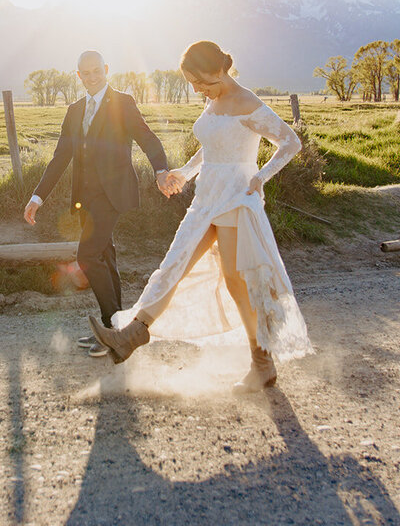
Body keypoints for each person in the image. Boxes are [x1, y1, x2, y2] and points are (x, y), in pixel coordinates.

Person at [89, 41, 313, 392]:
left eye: (199, 82)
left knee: (236, 283)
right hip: (207, 194)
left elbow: (290, 143)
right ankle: (132, 335)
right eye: (192, 83)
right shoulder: (213, 98)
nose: (196, 89)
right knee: (174, 263)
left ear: (218, 70)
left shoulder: (247, 102)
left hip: (236, 197)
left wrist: (260, 176)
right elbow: (210, 149)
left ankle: (262, 364)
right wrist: (184, 172)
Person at [25, 50, 173, 358]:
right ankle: (118, 330)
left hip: (112, 194)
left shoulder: (123, 103)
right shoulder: (75, 110)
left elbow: (147, 138)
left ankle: (111, 331)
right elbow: (60, 157)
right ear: (78, 75)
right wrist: (37, 197)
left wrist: (160, 170)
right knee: (106, 258)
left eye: (97, 71)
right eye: (85, 73)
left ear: (106, 69)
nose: (92, 77)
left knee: (88, 256)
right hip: (84, 199)